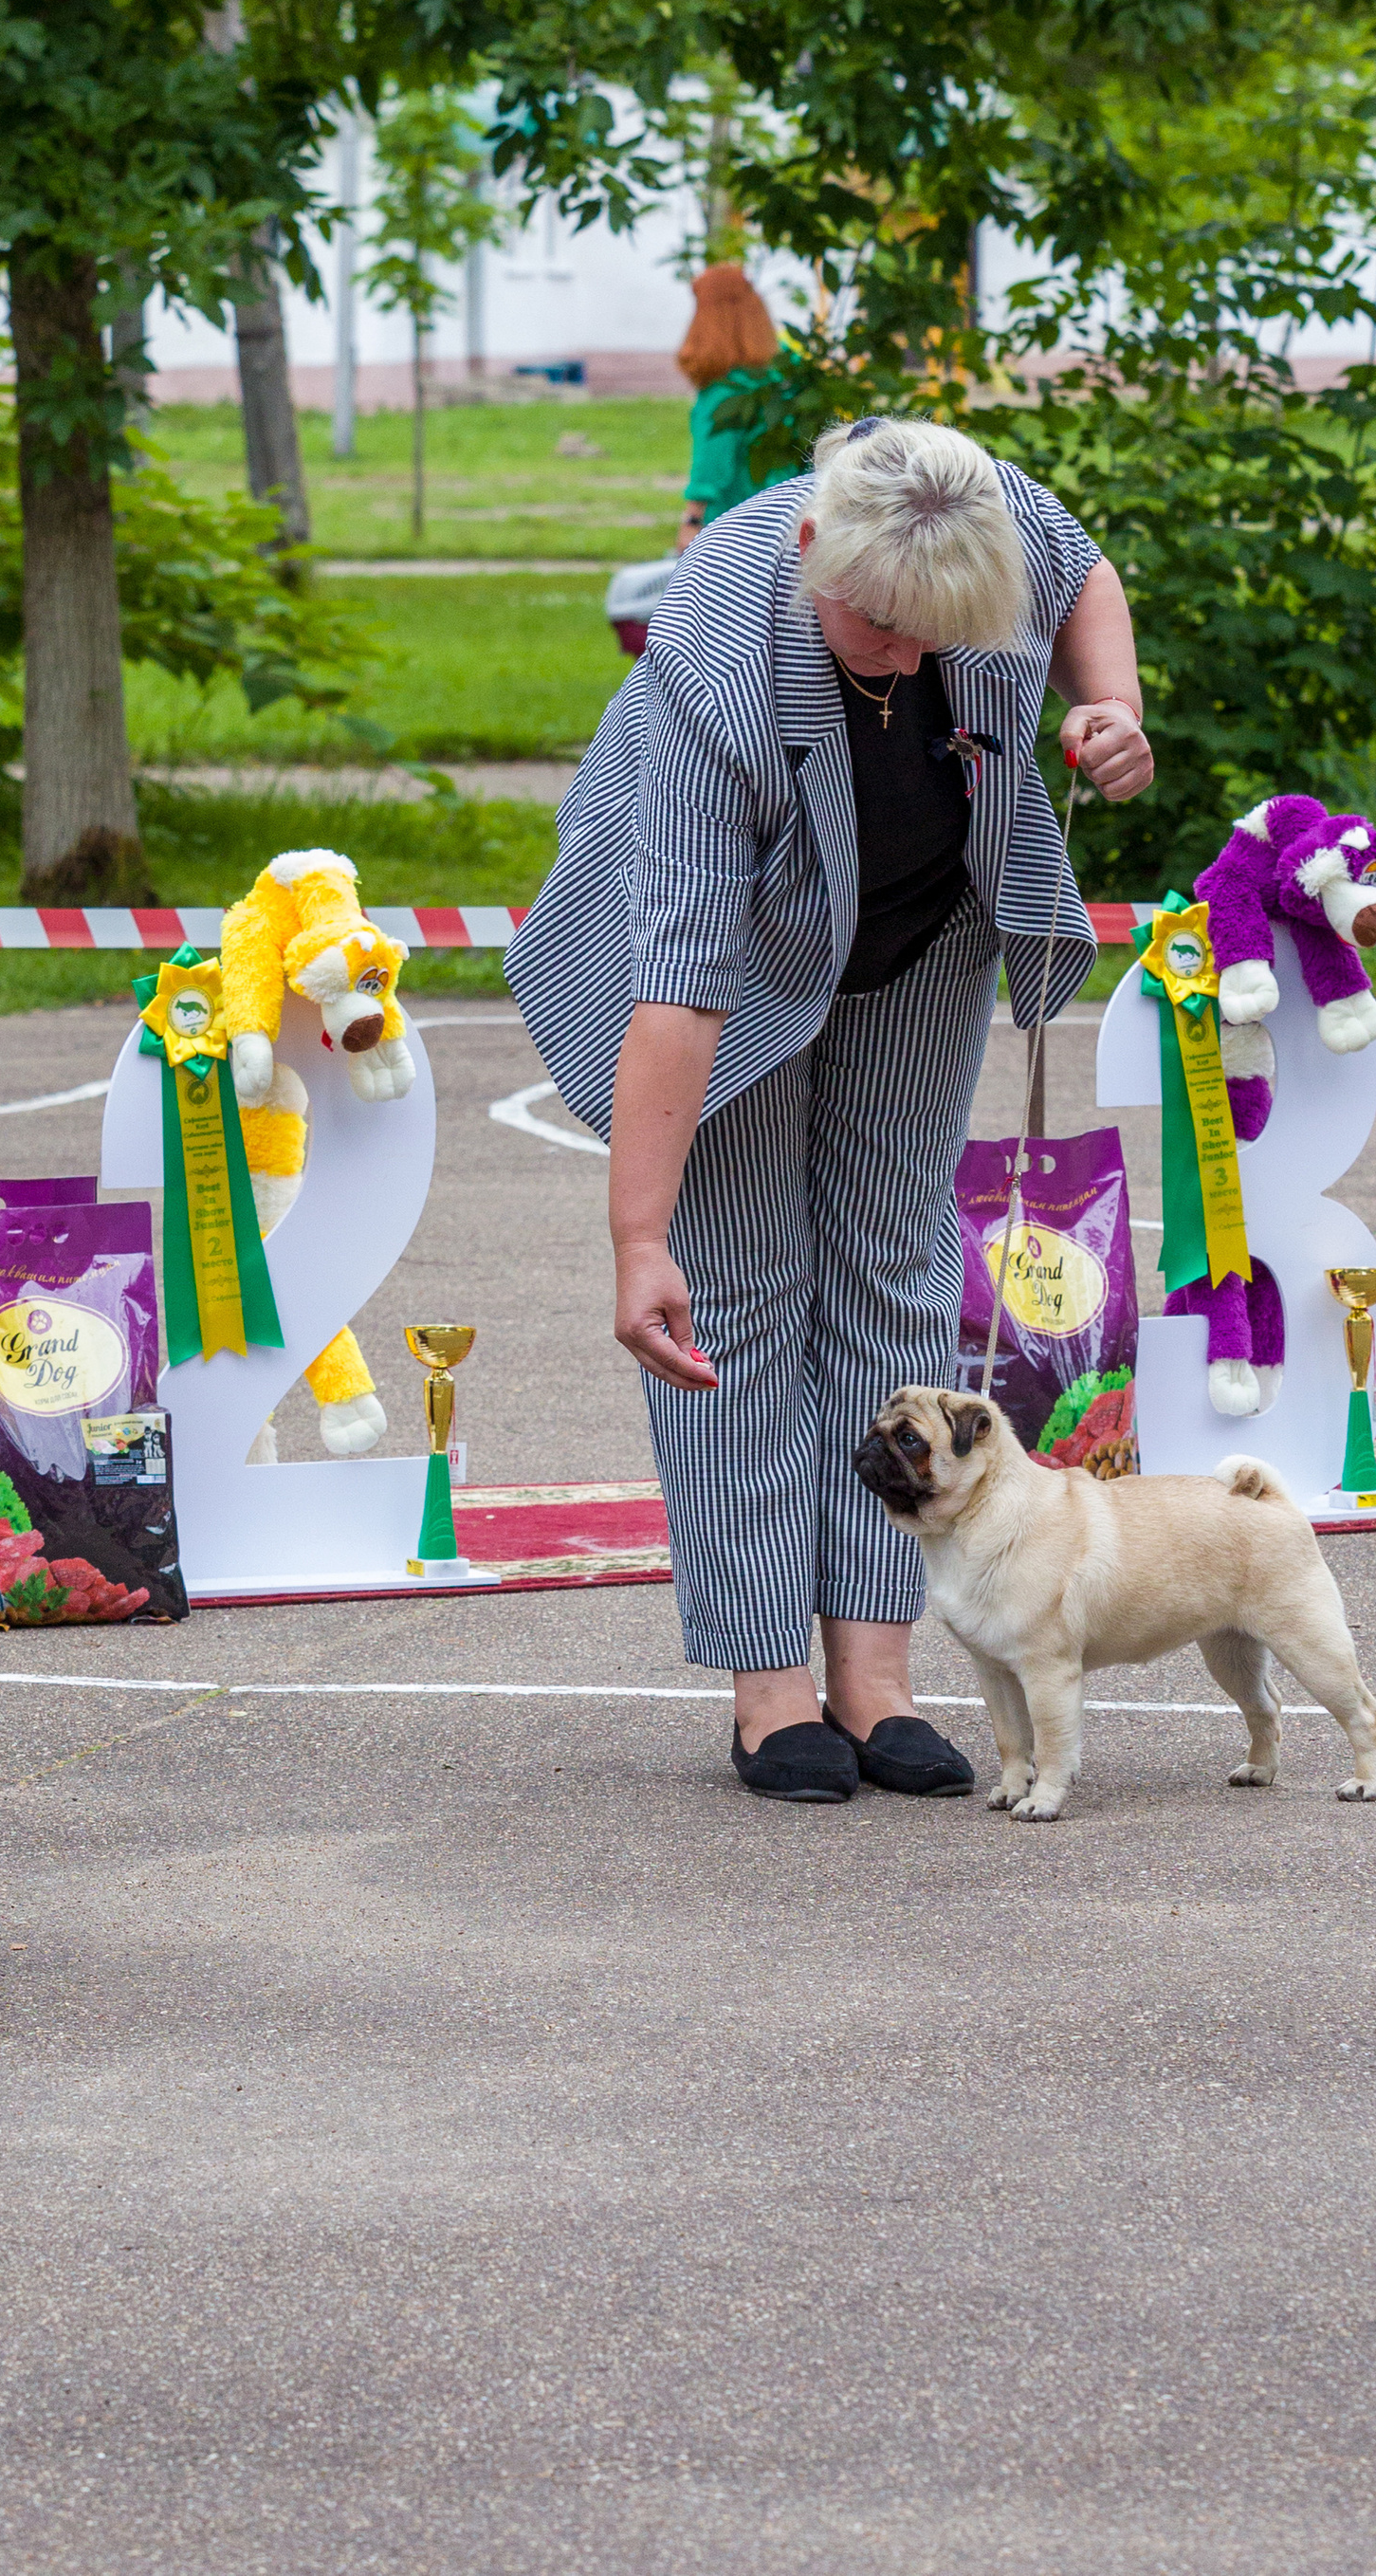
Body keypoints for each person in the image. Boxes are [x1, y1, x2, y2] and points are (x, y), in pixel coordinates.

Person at [507, 416, 1152, 1803]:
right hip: (734, 954)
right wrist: (635, 1238)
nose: (917, 660)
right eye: (883, 634)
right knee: (734, 1285)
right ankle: (769, 1684)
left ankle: (875, 1668)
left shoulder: (968, 509)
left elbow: (1081, 565)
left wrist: (1111, 703)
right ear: (812, 549)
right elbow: (679, 983)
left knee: (897, 1261)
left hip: (922, 932)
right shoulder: (713, 661)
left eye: (943, 636)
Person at [672, 264, 782, 553]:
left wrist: (692, 521)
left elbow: (712, 466)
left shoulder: (725, 393)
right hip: (788, 524)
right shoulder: (784, 382)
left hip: (734, 531)